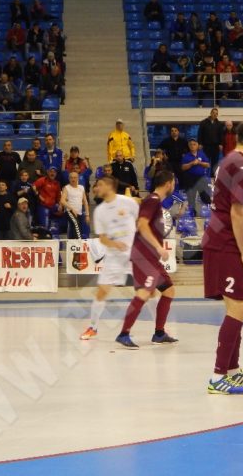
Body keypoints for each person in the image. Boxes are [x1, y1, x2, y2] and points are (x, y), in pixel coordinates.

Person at [203, 118, 243, 395]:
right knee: (239, 309)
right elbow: (236, 212)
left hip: (226, 240)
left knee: (237, 308)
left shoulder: (229, 160)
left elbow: (238, 208)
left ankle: (232, 370)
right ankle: (218, 377)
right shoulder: (240, 165)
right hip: (226, 244)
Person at [116, 170, 179, 349]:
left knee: (168, 290)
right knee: (144, 293)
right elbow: (142, 224)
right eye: (173, 182)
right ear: (168, 183)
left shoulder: (154, 201)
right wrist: (159, 247)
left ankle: (159, 333)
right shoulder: (152, 200)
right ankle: (124, 333)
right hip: (144, 256)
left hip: (151, 257)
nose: (174, 185)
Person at [80, 176, 145, 340]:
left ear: (109, 186)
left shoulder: (127, 202)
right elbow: (102, 238)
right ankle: (92, 328)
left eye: (99, 185)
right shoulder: (99, 211)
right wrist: (115, 244)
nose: (96, 188)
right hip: (114, 257)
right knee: (102, 292)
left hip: (134, 254)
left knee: (148, 291)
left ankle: (160, 329)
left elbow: (142, 217)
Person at [181, 139, 212, 216]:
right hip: (190, 178)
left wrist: (199, 162)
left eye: (194, 144)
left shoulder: (202, 154)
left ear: (197, 145)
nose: (192, 146)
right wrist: (192, 163)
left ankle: (210, 211)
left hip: (201, 178)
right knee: (191, 196)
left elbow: (208, 165)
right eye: (191, 144)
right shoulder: (186, 156)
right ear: (188, 146)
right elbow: (183, 167)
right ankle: (192, 213)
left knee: (205, 195)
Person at [60, 172, 90, 239]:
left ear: (78, 178)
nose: (73, 179)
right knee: (76, 225)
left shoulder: (81, 188)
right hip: (69, 211)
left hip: (79, 212)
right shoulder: (66, 188)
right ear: (69, 179)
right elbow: (62, 200)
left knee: (74, 228)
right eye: (71, 177)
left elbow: (85, 201)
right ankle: (79, 242)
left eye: (75, 177)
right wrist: (71, 209)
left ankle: (72, 244)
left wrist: (87, 215)